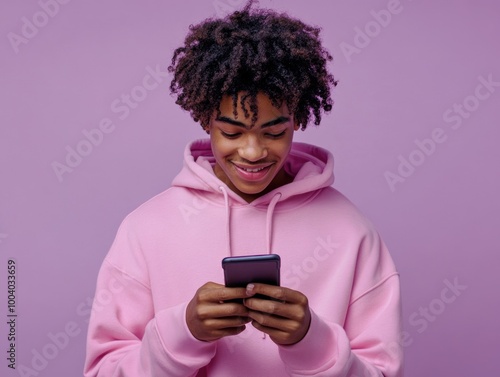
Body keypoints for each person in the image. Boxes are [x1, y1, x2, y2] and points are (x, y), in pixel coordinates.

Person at [83, 1, 403, 376]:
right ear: (205, 119)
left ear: (297, 119)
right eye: (232, 132)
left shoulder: (352, 233)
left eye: (274, 132)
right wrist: (182, 333)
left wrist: (311, 341)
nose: (253, 152)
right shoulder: (145, 229)